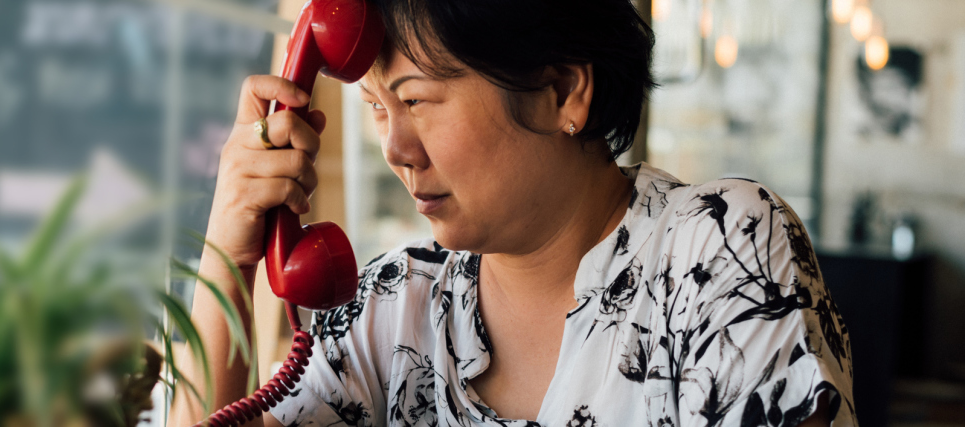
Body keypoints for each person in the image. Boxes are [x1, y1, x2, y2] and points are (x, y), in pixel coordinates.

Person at [170, 0, 855, 425]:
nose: (396, 149)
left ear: (562, 91)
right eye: (378, 110)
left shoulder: (720, 247)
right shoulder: (391, 306)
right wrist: (228, 254)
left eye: (417, 102)